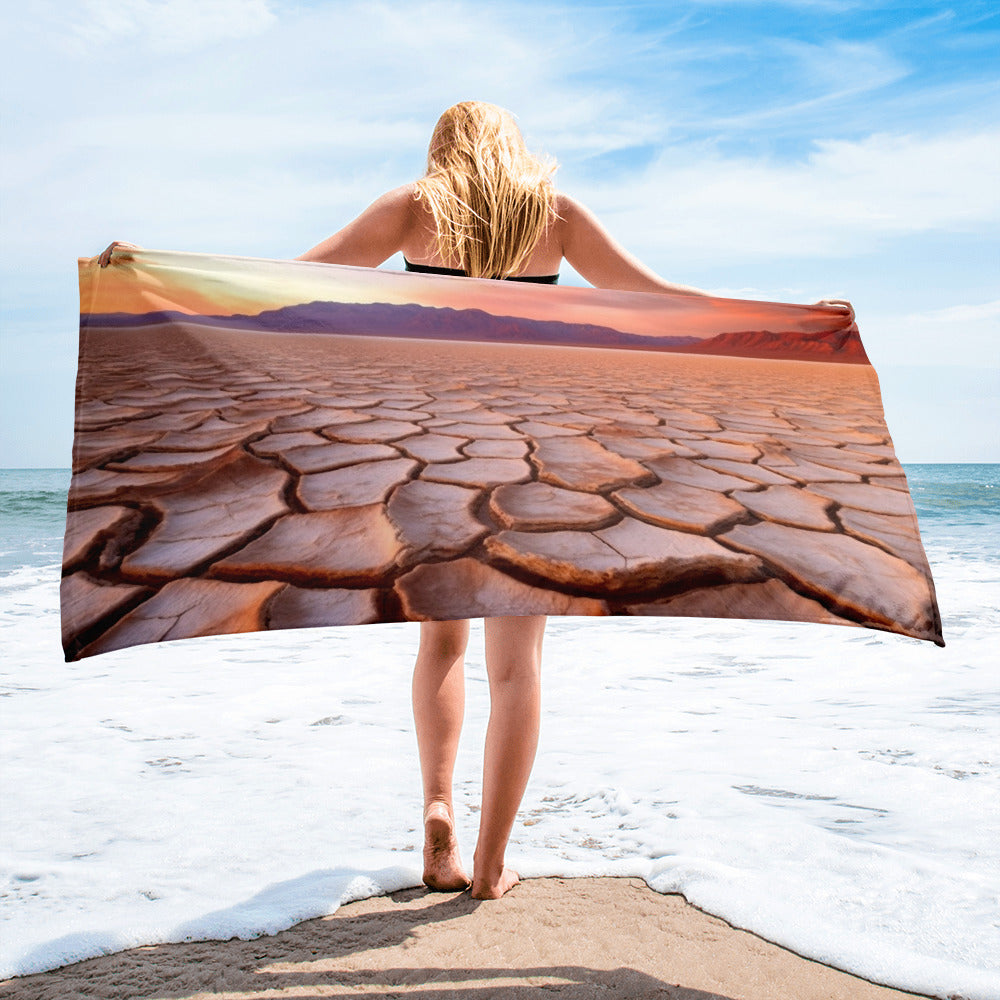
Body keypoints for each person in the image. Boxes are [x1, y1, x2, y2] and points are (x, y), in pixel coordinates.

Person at [98, 100, 853, 901]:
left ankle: (436, 810)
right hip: (533, 454)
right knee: (519, 670)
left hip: (429, 453)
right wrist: (796, 323)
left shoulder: (413, 207)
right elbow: (661, 297)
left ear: (443, 149)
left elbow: (287, 281)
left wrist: (154, 268)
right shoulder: (555, 214)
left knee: (440, 647)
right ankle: (491, 867)